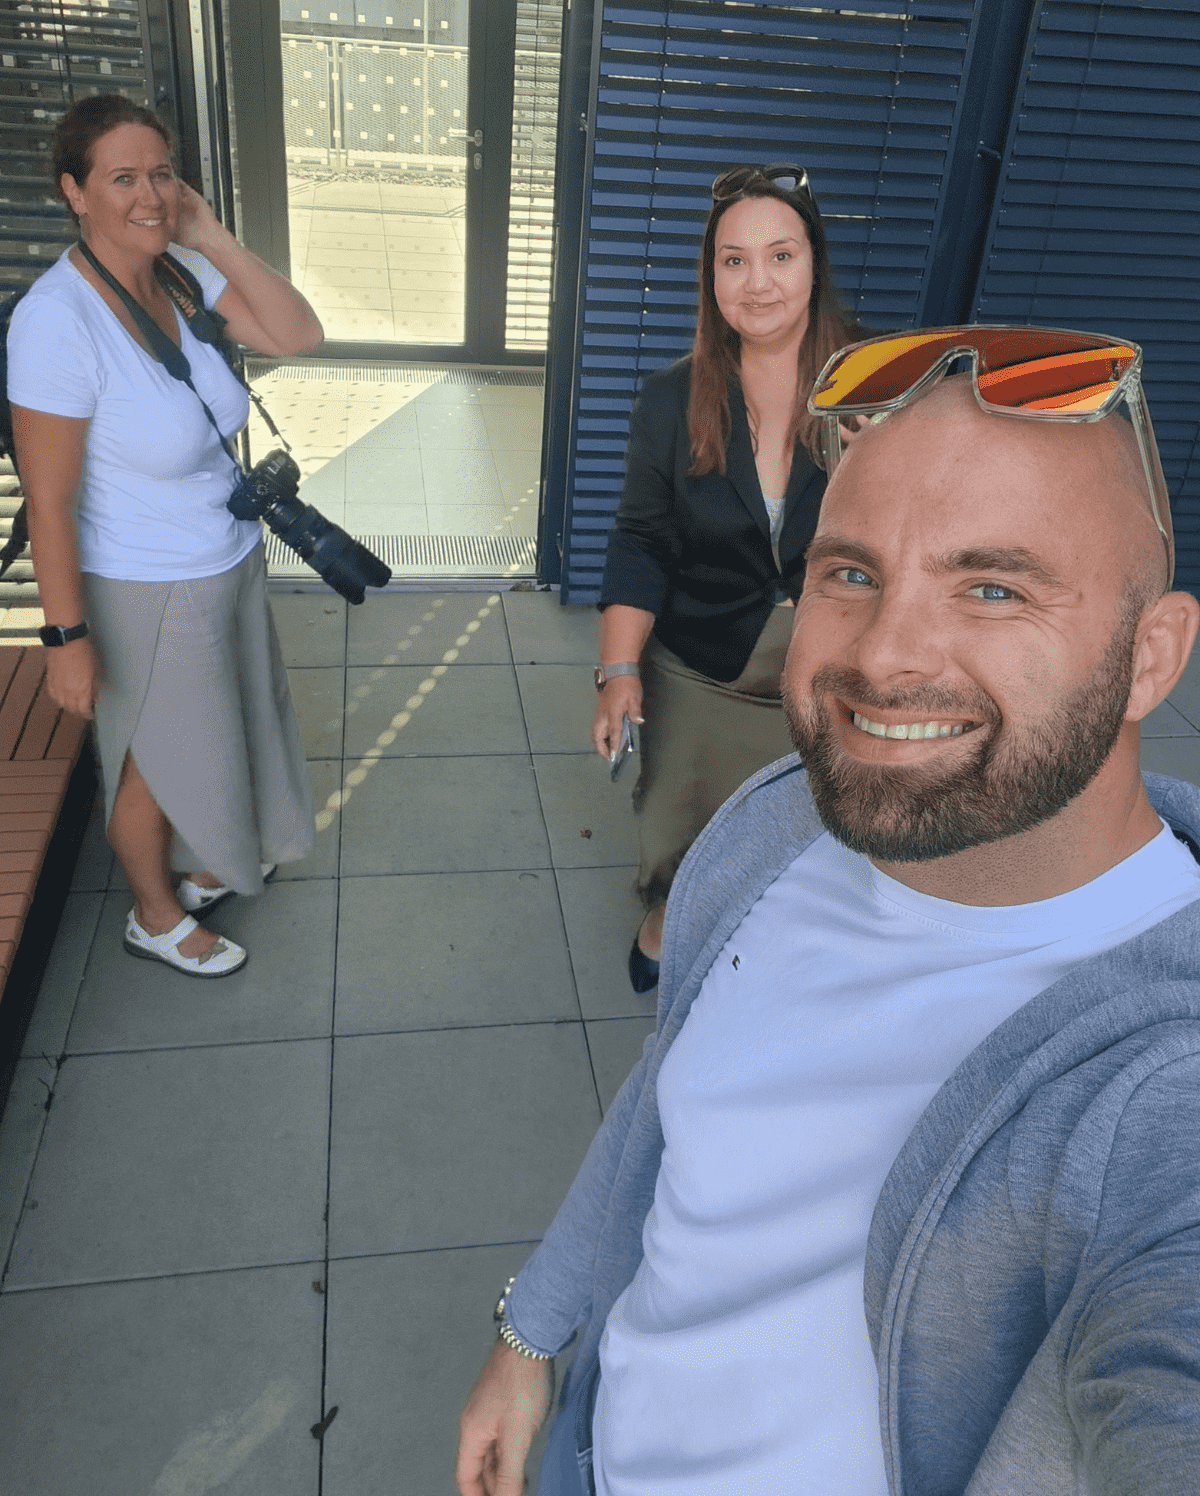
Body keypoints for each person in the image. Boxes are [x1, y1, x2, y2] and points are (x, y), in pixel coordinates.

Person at [458, 329, 1200, 1496]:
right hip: (591, 1452)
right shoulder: (779, 821)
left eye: (993, 588)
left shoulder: (1165, 1086)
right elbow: (670, 1098)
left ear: (1152, 657)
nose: (884, 656)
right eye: (849, 573)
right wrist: (531, 1335)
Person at [8, 95, 324, 977]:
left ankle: (204, 856)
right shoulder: (56, 321)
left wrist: (209, 234)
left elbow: (297, 333)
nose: (149, 196)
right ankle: (152, 915)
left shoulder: (178, 270)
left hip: (225, 557)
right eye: (122, 178)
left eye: (161, 174)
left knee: (228, 726)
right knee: (156, 758)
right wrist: (65, 638)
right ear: (74, 191)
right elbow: (49, 501)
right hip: (143, 584)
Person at [590, 163, 859, 992]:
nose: (758, 282)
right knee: (682, 821)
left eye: (781, 255)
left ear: (814, 263)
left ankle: (774, 936)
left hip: (835, 663)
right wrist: (619, 669)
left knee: (812, 830)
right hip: (703, 659)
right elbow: (641, 540)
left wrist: (881, 456)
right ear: (712, 278)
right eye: (734, 261)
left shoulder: (878, 390)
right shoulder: (670, 401)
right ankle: (667, 918)